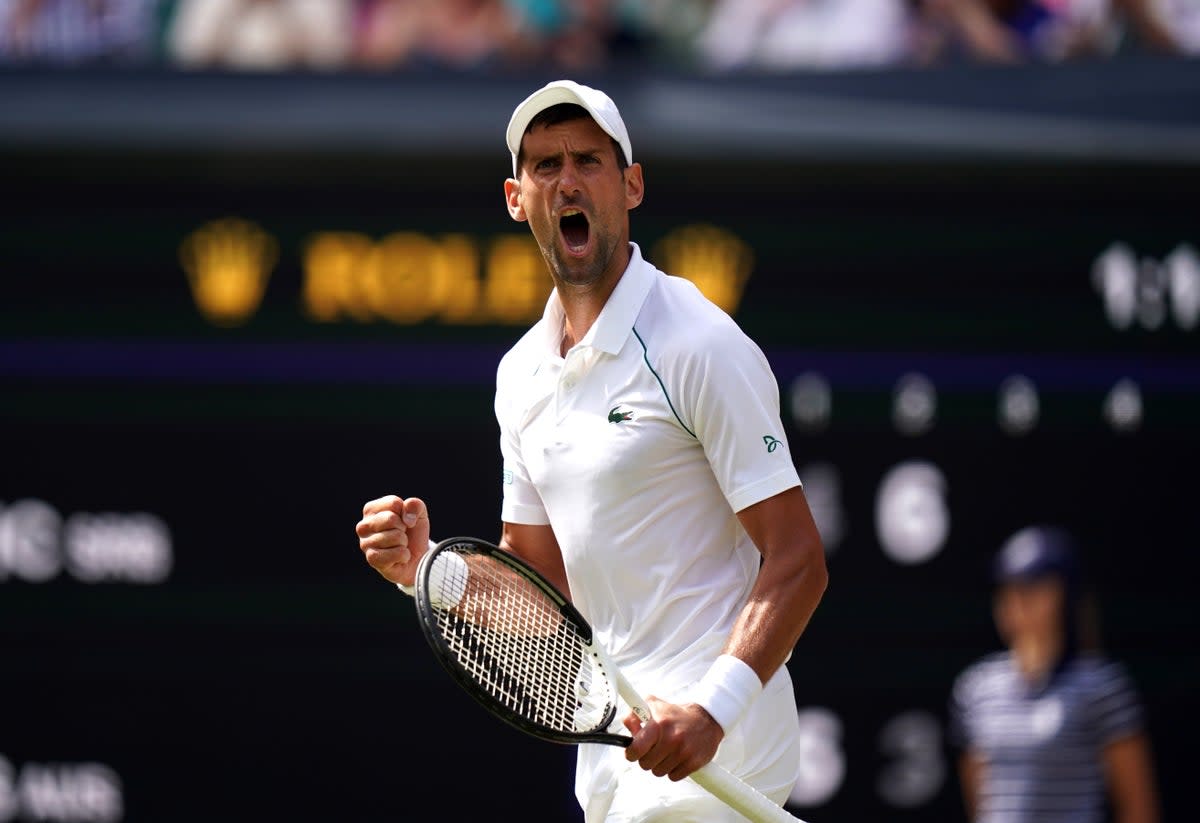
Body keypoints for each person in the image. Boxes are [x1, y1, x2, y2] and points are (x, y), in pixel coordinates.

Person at [355, 79, 828, 822]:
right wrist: (426, 571)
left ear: (631, 184)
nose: (567, 179)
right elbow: (542, 590)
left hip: (721, 751)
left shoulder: (699, 343)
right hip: (617, 768)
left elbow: (798, 556)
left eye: (589, 160)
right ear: (517, 197)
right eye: (545, 165)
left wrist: (712, 711)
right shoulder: (521, 376)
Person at [947, 525, 1160, 823]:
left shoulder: (1103, 687)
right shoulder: (976, 688)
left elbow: (1138, 806)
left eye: (1032, 587)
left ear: (1065, 597)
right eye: (1009, 587)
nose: (1016, 600)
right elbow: (981, 800)